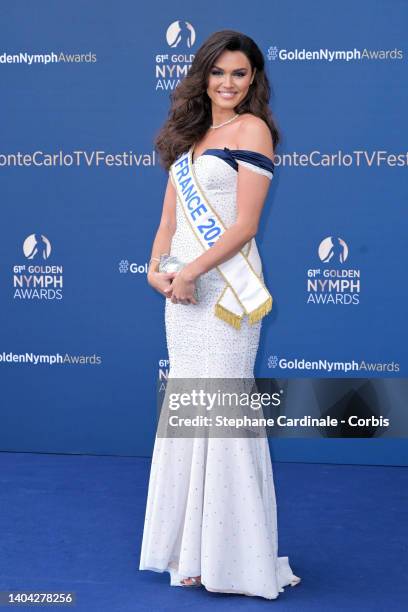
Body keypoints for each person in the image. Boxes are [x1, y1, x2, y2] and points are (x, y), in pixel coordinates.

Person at [139, 29, 301, 600]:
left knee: (224, 410)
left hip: (224, 293)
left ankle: (234, 556)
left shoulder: (252, 130)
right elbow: (170, 216)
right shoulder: (187, 134)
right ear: (202, 76)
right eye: (218, 72)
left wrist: (190, 271)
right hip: (182, 295)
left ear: (253, 79)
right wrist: (158, 267)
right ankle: (191, 551)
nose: (228, 83)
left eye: (239, 73)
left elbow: (244, 226)